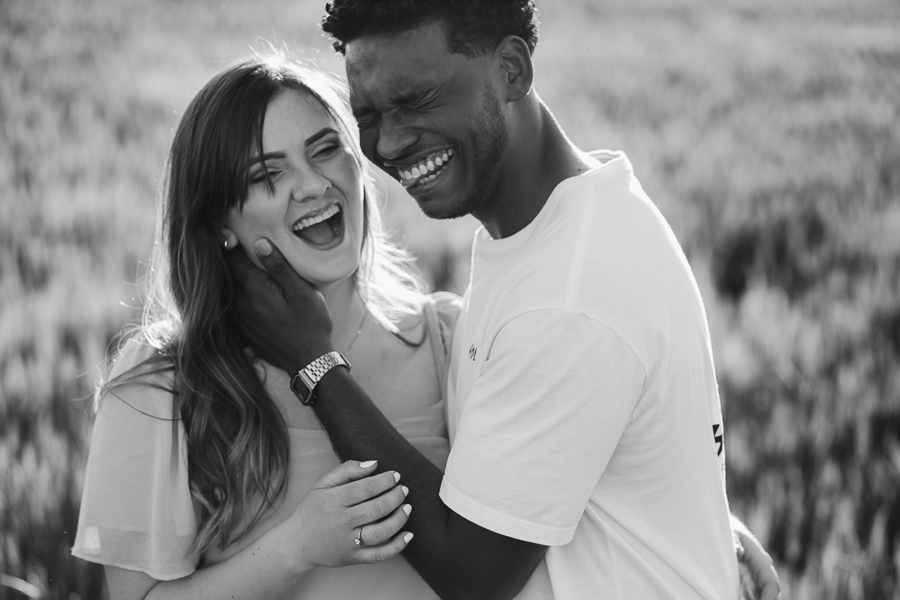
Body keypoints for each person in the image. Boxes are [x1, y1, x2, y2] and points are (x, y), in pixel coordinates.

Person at [229, 1, 782, 600]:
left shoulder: (566, 296)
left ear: (512, 70)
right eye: (367, 113)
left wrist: (314, 362)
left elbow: (473, 574)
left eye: (416, 101)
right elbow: (586, 436)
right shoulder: (571, 217)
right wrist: (685, 521)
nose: (387, 143)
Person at [72, 54, 463, 599]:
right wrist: (295, 547)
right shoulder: (163, 384)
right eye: (267, 174)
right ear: (220, 224)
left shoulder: (449, 339)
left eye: (326, 149)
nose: (311, 186)